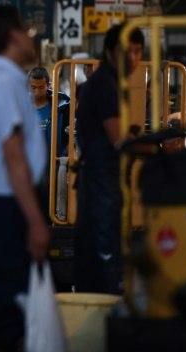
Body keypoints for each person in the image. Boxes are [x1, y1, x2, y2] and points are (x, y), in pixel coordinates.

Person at [0, 5, 49, 351]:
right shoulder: (2, 82)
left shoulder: (8, 79)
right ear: (15, 36)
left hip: (7, 207)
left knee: (13, 307)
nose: (33, 37)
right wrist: (34, 221)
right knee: (9, 310)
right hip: (6, 209)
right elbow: (14, 156)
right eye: (28, 31)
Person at [75, 24, 144, 294]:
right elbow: (118, 139)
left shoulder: (110, 82)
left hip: (102, 177)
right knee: (105, 250)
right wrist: (149, 146)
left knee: (98, 249)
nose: (133, 58)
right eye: (127, 51)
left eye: (138, 51)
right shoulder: (105, 84)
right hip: (101, 178)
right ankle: (107, 313)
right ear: (109, 51)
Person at [28, 66, 70, 219]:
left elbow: (69, 133)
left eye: (41, 87)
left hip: (53, 163)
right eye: (33, 87)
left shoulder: (61, 106)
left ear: (48, 85)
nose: (37, 91)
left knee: (50, 203)